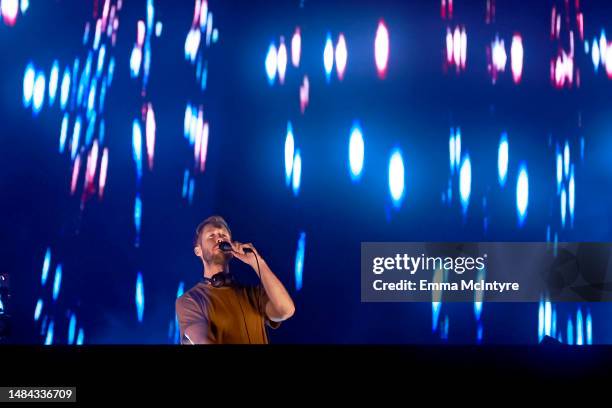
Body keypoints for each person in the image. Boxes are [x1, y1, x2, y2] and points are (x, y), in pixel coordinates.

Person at [176, 215, 295, 344]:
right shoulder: (190, 300)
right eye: (212, 236)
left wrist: (258, 263)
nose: (220, 238)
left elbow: (286, 310)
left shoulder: (255, 294)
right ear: (198, 251)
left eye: (224, 235)